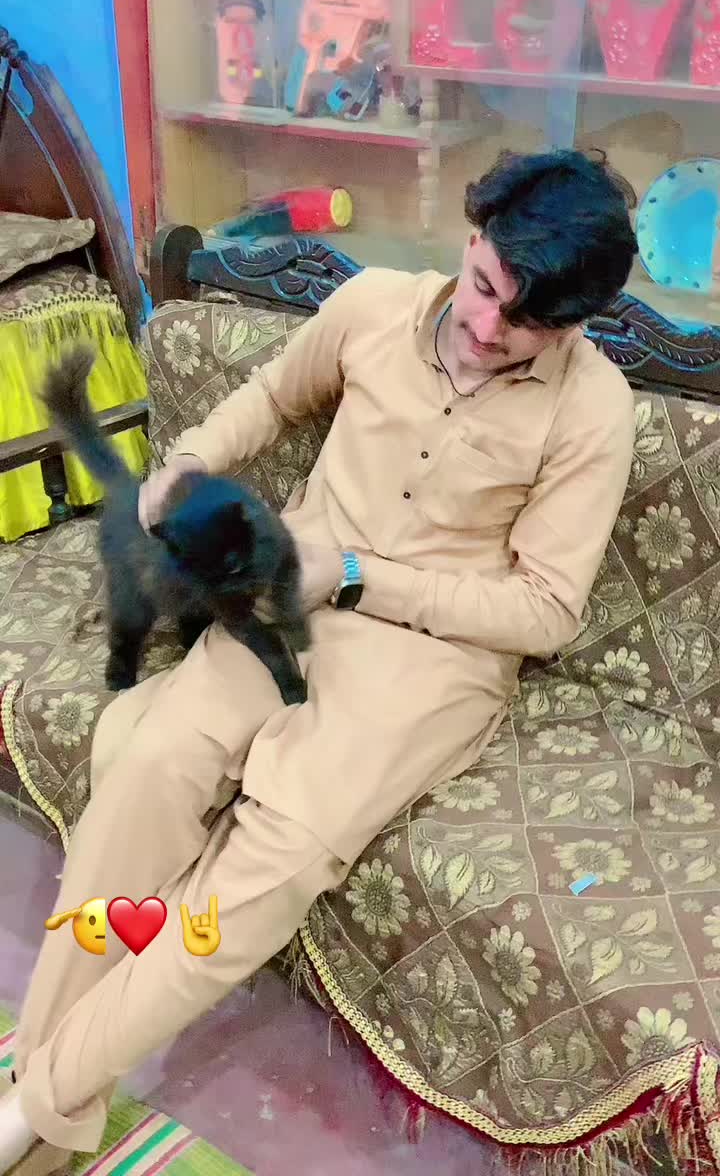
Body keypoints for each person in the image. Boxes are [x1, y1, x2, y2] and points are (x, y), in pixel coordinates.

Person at [1, 149, 638, 1175]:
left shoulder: (592, 409)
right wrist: (188, 461)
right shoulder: (374, 306)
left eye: (527, 325)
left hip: (433, 662)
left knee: (266, 871)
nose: (487, 328)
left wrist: (352, 572)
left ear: (572, 325)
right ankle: (42, 1111)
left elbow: (545, 610)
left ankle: (26, 1112)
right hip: (282, 607)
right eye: (484, 287)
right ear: (471, 235)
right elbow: (270, 396)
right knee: (151, 764)